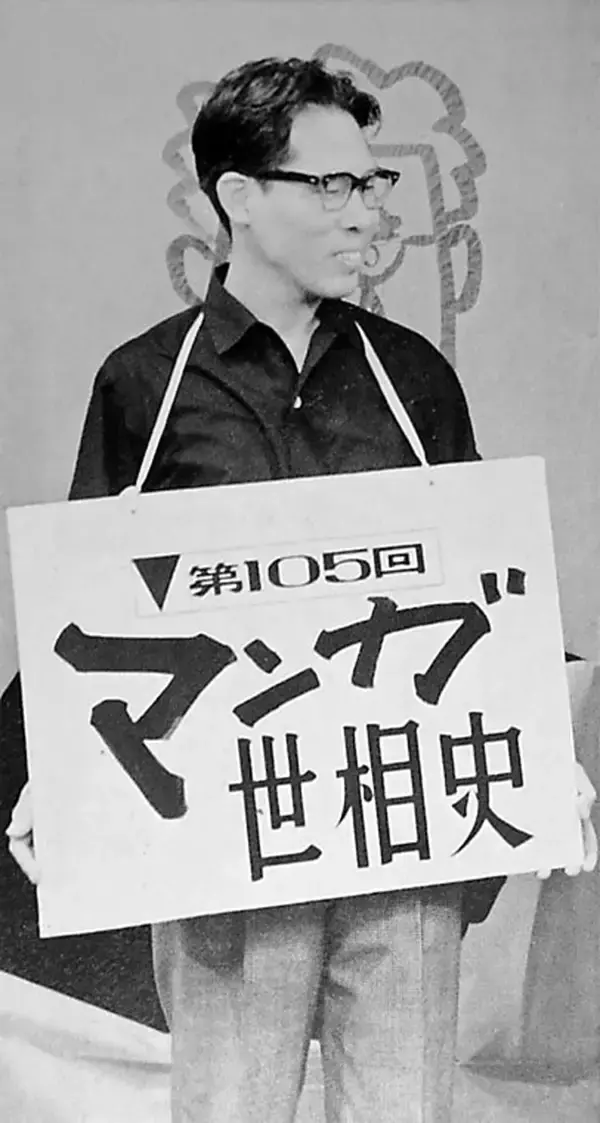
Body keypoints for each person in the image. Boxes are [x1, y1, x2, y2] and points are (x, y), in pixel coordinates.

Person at [6, 56, 597, 1123]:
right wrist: (63, 775)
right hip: (225, 839)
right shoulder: (147, 383)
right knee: (231, 1105)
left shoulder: (413, 378)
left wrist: (543, 753)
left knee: (405, 1106)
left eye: (371, 183)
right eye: (332, 184)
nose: (365, 211)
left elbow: (481, 581)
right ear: (239, 195)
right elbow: (91, 607)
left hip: (400, 825)